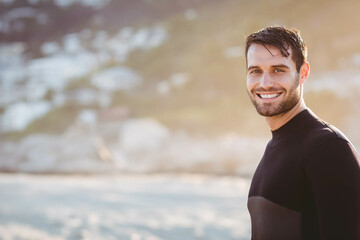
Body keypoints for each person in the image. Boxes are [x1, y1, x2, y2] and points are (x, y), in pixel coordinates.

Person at [245, 26, 360, 240]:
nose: (265, 83)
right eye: (256, 71)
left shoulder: (328, 148)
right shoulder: (275, 147)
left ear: (303, 73)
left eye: (278, 70)